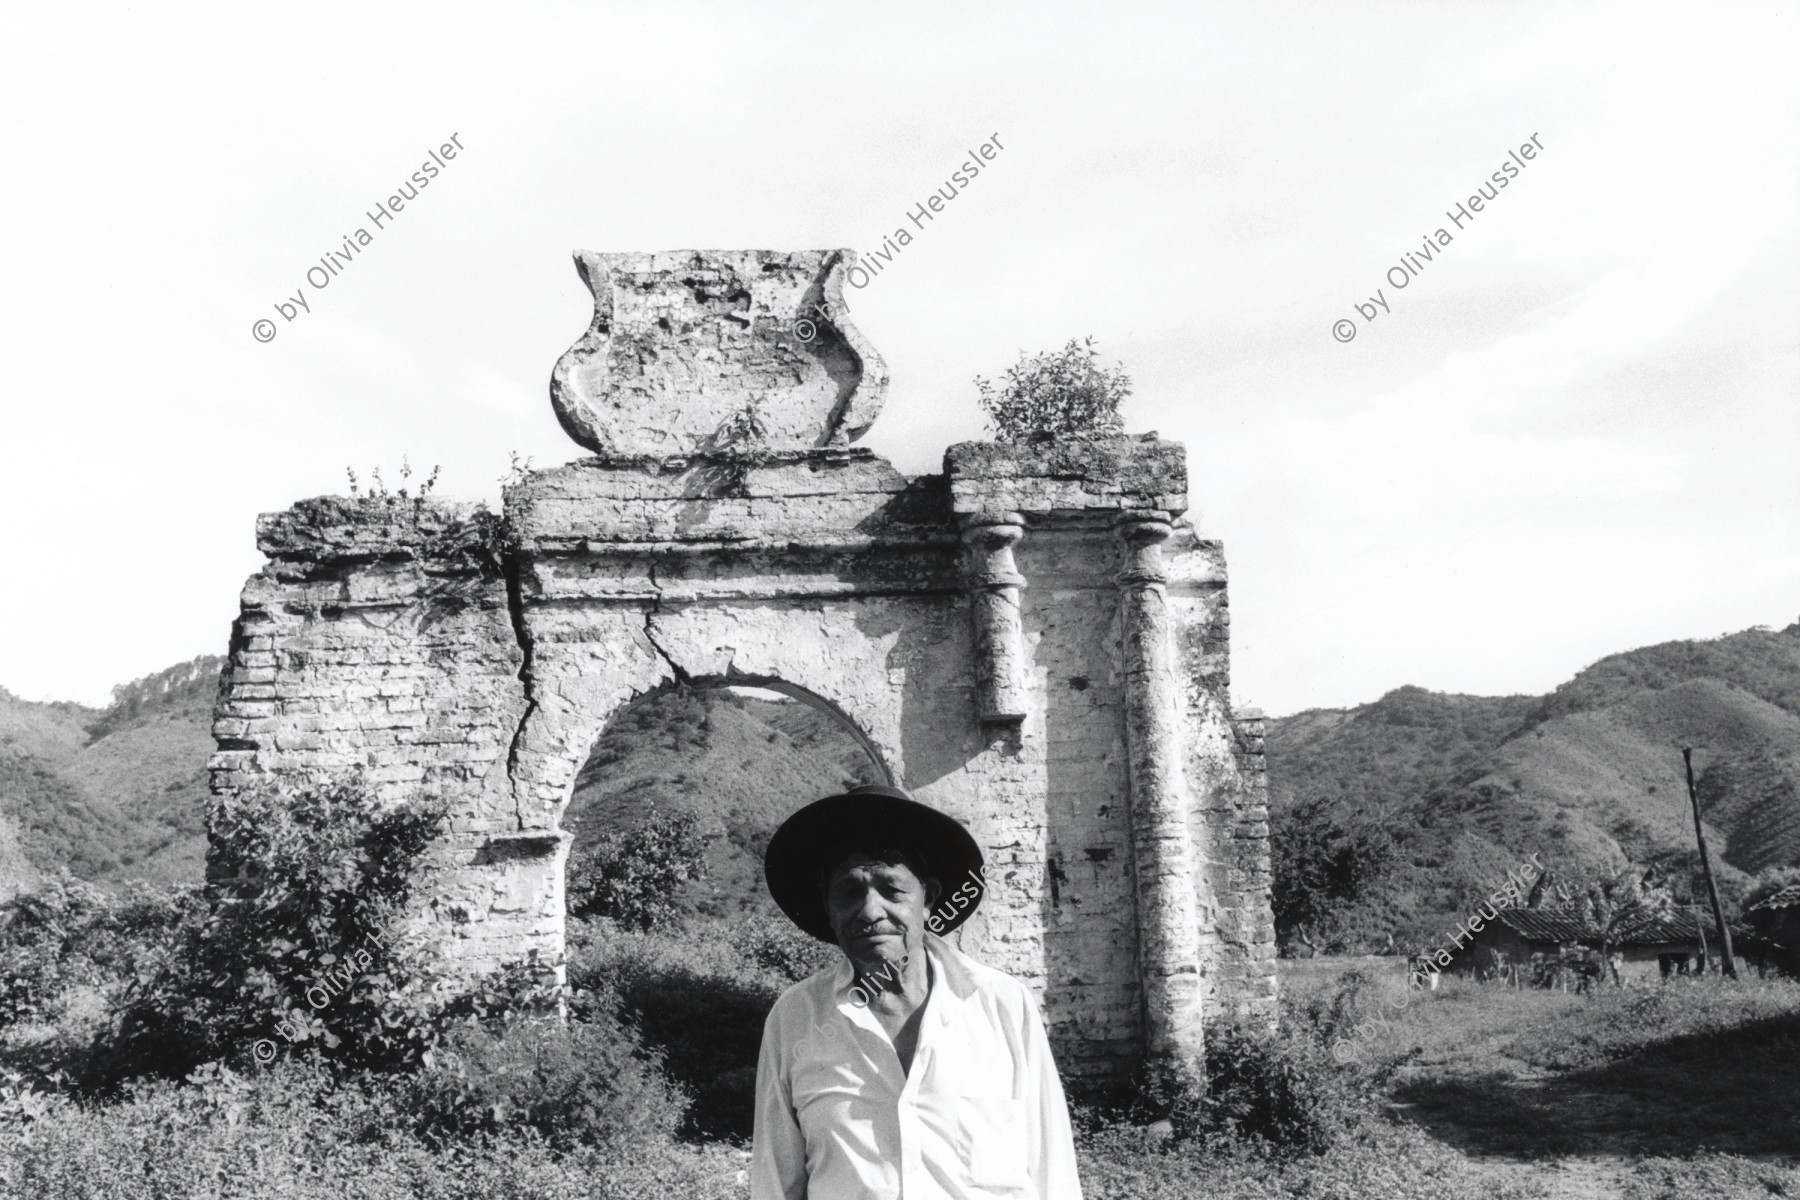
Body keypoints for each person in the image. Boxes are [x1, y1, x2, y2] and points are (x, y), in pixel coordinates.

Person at [751, 783, 1083, 1199]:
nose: (870, 911)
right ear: (827, 907)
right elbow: (775, 1182)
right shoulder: (796, 1019)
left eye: (891, 889)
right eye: (849, 891)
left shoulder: (1000, 1003)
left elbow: (1052, 1170)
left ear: (929, 900)